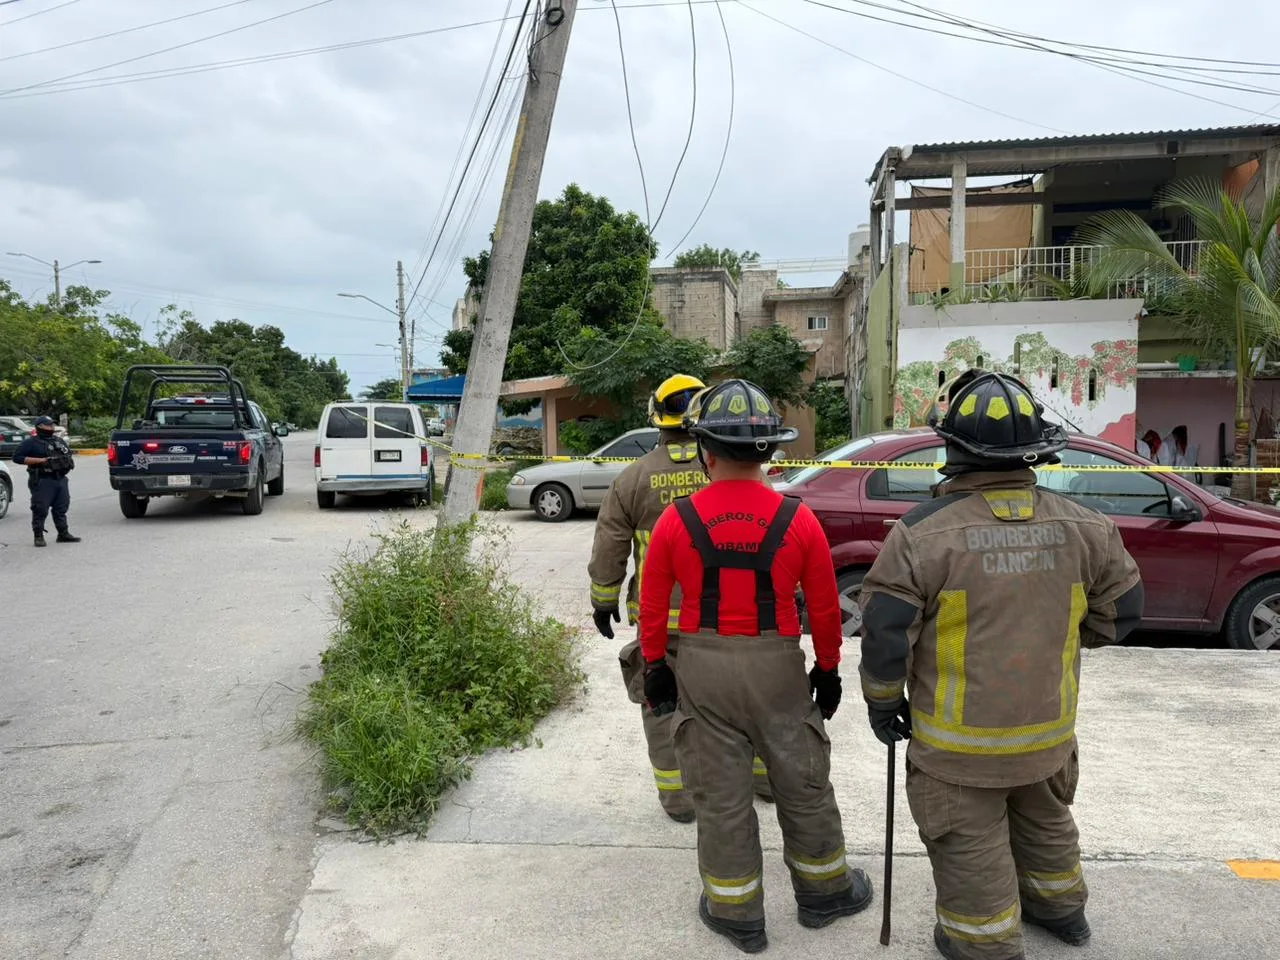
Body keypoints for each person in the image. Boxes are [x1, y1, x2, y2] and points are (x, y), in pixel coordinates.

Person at [857, 370, 1144, 960]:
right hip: (1048, 734)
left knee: (968, 840)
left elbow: (885, 635)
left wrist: (884, 704)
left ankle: (981, 942)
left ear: (953, 449)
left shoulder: (921, 536)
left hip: (957, 748)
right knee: (1046, 822)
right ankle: (1062, 913)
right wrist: (1055, 643)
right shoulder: (1087, 526)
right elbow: (1124, 611)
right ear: (1035, 450)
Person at [639, 379, 872, 953]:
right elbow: (823, 608)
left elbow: (651, 603)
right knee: (803, 782)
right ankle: (825, 895)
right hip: (778, 670)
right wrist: (827, 668)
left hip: (701, 666)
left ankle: (736, 912)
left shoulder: (675, 521)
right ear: (770, 453)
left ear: (705, 452)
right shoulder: (800, 521)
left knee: (720, 797)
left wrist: (655, 667)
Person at [589, 374, 774, 822]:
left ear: (657, 417)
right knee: (745, 698)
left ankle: (678, 797)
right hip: (728, 615)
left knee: (661, 705)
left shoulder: (633, 478)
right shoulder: (734, 470)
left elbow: (610, 543)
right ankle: (763, 780)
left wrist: (603, 598)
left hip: (662, 621)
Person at [12, 415, 81, 548]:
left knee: (61, 507)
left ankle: (63, 533)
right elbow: (17, 458)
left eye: (52, 424)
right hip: (43, 479)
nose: (52, 427)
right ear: (40, 426)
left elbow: (67, 455)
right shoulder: (31, 442)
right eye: (48, 425)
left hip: (60, 478)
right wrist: (41, 461)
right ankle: (38, 536)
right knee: (40, 509)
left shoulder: (58, 440)